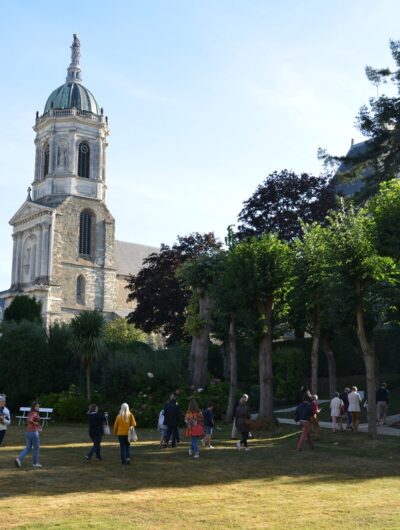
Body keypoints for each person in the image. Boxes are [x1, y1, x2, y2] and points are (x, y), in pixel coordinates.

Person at [15, 401, 42, 468]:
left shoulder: (31, 413)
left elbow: (31, 420)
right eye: (36, 406)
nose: (38, 407)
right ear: (33, 407)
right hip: (33, 433)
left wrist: (39, 427)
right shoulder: (35, 413)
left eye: (38, 406)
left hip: (28, 432)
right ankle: (35, 463)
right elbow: (30, 420)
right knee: (36, 448)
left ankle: (18, 459)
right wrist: (36, 424)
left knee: (28, 448)